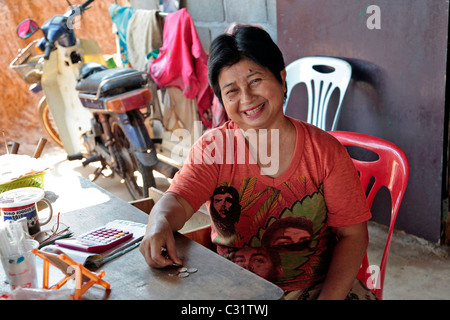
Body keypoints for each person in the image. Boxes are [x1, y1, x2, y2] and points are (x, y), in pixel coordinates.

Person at [139, 26, 375, 300]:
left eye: (255, 81)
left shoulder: (325, 153)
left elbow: (353, 236)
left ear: (282, 79)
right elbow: (177, 200)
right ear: (223, 101)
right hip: (236, 288)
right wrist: (158, 224)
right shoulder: (214, 148)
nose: (247, 99)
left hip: (315, 289)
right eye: (232, 91)